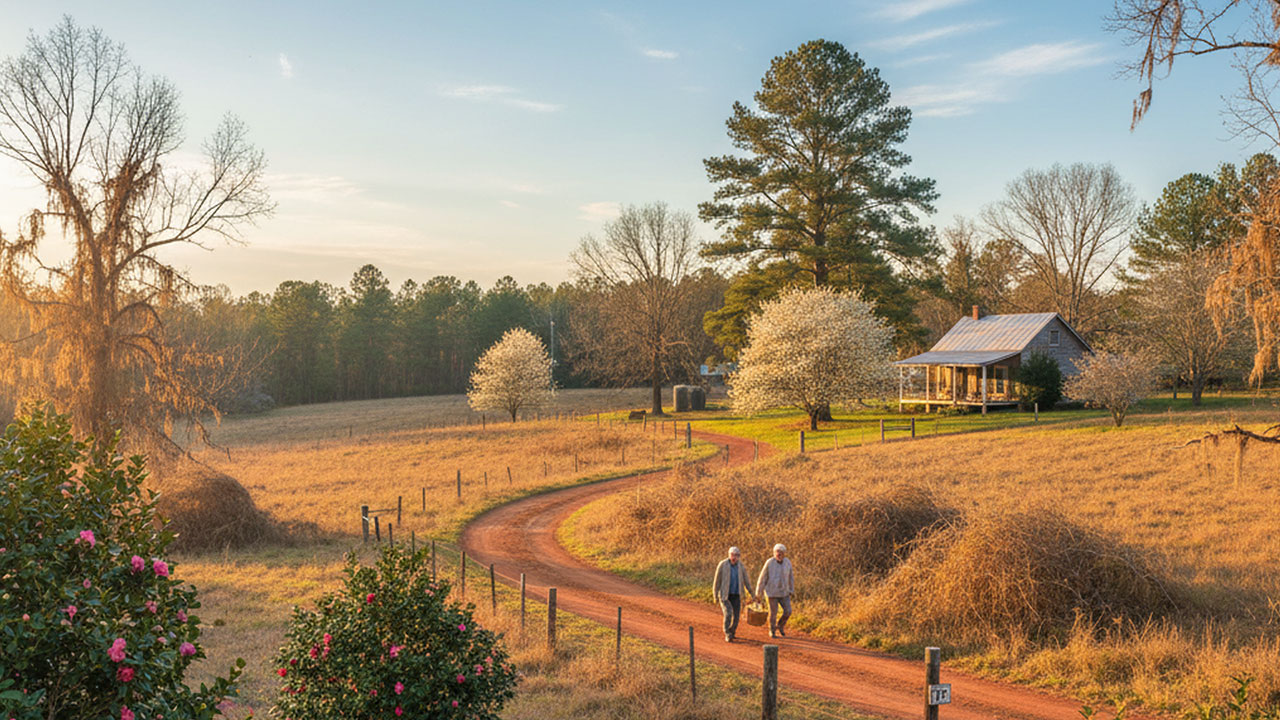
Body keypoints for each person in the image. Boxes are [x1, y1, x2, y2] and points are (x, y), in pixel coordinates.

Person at [755, 543, 794, 638]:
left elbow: (791, 577)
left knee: (788, 611)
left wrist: (791, 590)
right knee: (773, 613)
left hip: (784, 592)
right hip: (771, 592)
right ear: (774, 553)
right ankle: (772, 630)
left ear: (784, 554)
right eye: (777, 552)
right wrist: (758, 594)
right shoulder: (769, 563)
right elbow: (762, 578)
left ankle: (780, 626)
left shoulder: (787, 562)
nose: (779, 554)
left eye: (781, 552)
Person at [712, 546, 751, 642]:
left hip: (736, 594)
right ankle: (727, 632)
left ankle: (732, 631)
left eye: (736, 555)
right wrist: (715, 594)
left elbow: (746, 581)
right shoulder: (723, 565)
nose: (734, 557)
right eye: (732, 555)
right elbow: (717, 581)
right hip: (725, 595)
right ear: (729, 555)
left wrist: (752, 594)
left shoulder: (741, 566)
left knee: (737, 616)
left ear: (739, 556)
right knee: (728, 613)